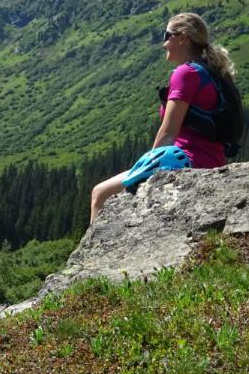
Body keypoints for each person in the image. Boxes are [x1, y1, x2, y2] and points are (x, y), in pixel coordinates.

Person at [89, 12, 236, 222]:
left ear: (183, 37)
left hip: (184, 160)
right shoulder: (212, 72)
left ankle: (93, 254)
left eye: (167, 35)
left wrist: (143, 169)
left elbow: (168, 134)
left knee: (100, 194)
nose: (163, 43)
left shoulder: (185, 73)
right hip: (214, 161)